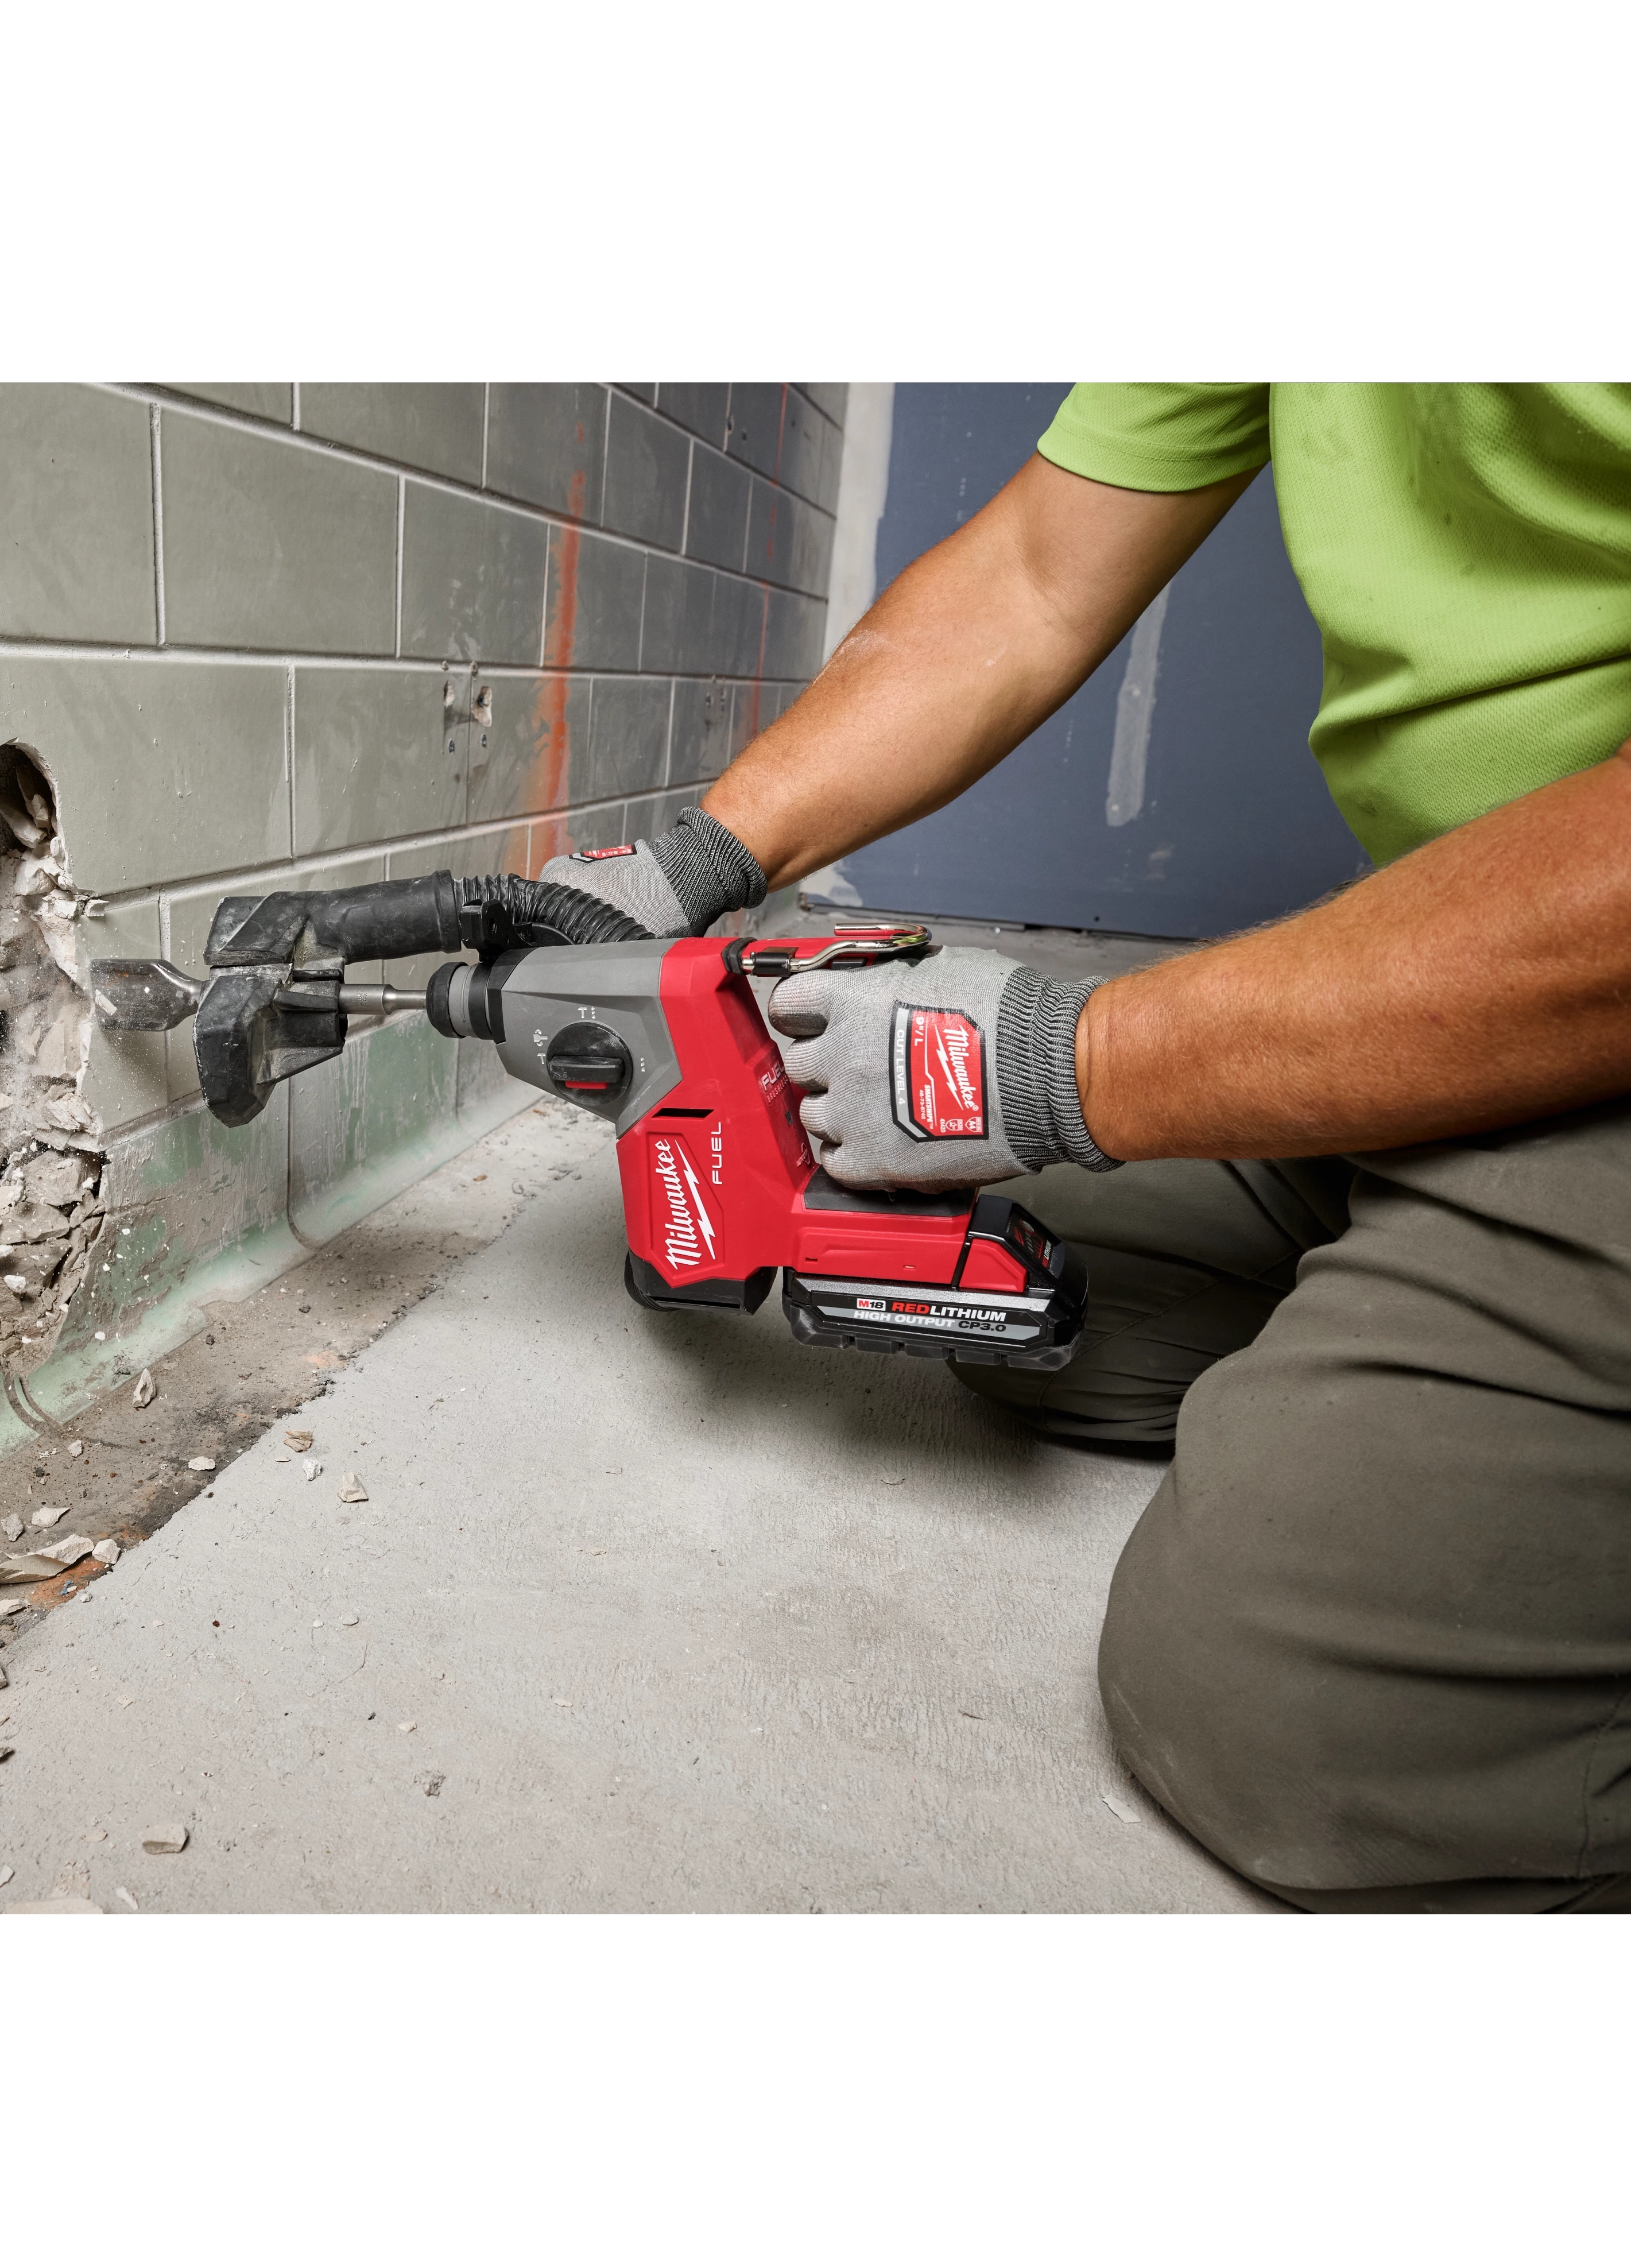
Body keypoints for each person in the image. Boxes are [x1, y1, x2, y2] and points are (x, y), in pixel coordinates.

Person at [547, 384, 1631, 1914]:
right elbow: (1041, 569)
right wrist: (687, 865)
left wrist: (1066, 1058)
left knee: (1298, 1721)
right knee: (1015, 1283)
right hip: (1476, 976)